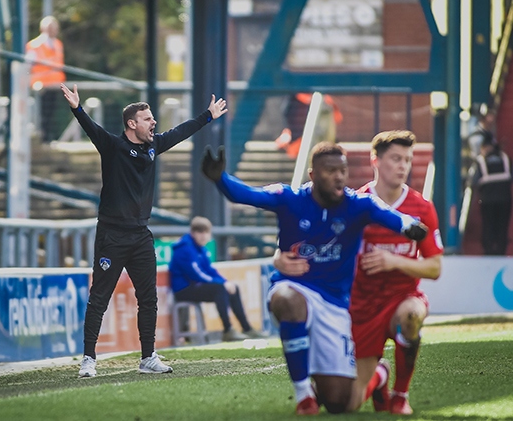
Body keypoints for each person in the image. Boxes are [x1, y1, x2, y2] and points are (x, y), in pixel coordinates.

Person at [201, 141, 428, 415]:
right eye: (330, 170)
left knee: (340, 403)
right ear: (313, 175)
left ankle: (379, 375)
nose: (338, 177)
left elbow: (390, 216)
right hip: (295, 287)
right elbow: (249, 196)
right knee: (287, 300)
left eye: (342, 170)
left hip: (335, 304)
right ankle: (304, 395)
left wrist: (409, 226)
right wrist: (220, 179)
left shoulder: (358, 204)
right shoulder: (289, 198)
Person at [60, 83, 228, 378]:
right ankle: (88, 359)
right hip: (112, 235)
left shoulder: (153, 146)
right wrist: (77, 108)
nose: (154, 123)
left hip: (140, 236)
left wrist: (208, 116)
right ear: (131, 124)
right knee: (99, 297)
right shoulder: (112, 147)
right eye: (148, 119)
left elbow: (180, 133)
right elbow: (91, 128)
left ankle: (148, 357)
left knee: (148, 298)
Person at [276, 130, 444, 415]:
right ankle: (380, 376)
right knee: (343, 404)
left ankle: (400, 395)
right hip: (358, 309)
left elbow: (435, 267)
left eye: (407, 159)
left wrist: (394, 262)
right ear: (375, 161)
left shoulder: (422, 208)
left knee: (411, 316)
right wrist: (279, 258)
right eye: (395, 159)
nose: (403, 166)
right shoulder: (353, 204)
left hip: (401, 298)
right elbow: (304, 245)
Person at [168, 216, 265, 342]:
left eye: (206, 232)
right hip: (183, 289)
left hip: (195, 285)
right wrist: (221, 284)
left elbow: (210, 270)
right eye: (199, 232)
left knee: (232, 288)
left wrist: (225, 282)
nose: (203, 236)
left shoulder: (200, 249)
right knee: (219, 288)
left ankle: (247, 328)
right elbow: (196, 274)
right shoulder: (185, 249)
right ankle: (228, 330)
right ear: (193, 233)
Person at [468, 137, 512, 255]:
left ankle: (489, 252)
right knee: (502, 227)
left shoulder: (481, 161)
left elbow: (473, 181)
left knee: (488, 226)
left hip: (487, 200)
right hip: (505, 199)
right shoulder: (505, 159)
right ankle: (501, 252)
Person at [26, 16, 66, 142]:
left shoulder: (58, 44)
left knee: (52, 113)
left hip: (55, 85)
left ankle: (49, 138)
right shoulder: (35, 45)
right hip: (41, 86)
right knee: (43, 114)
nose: (53, 30)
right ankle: (43, 138)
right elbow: (29, 64)